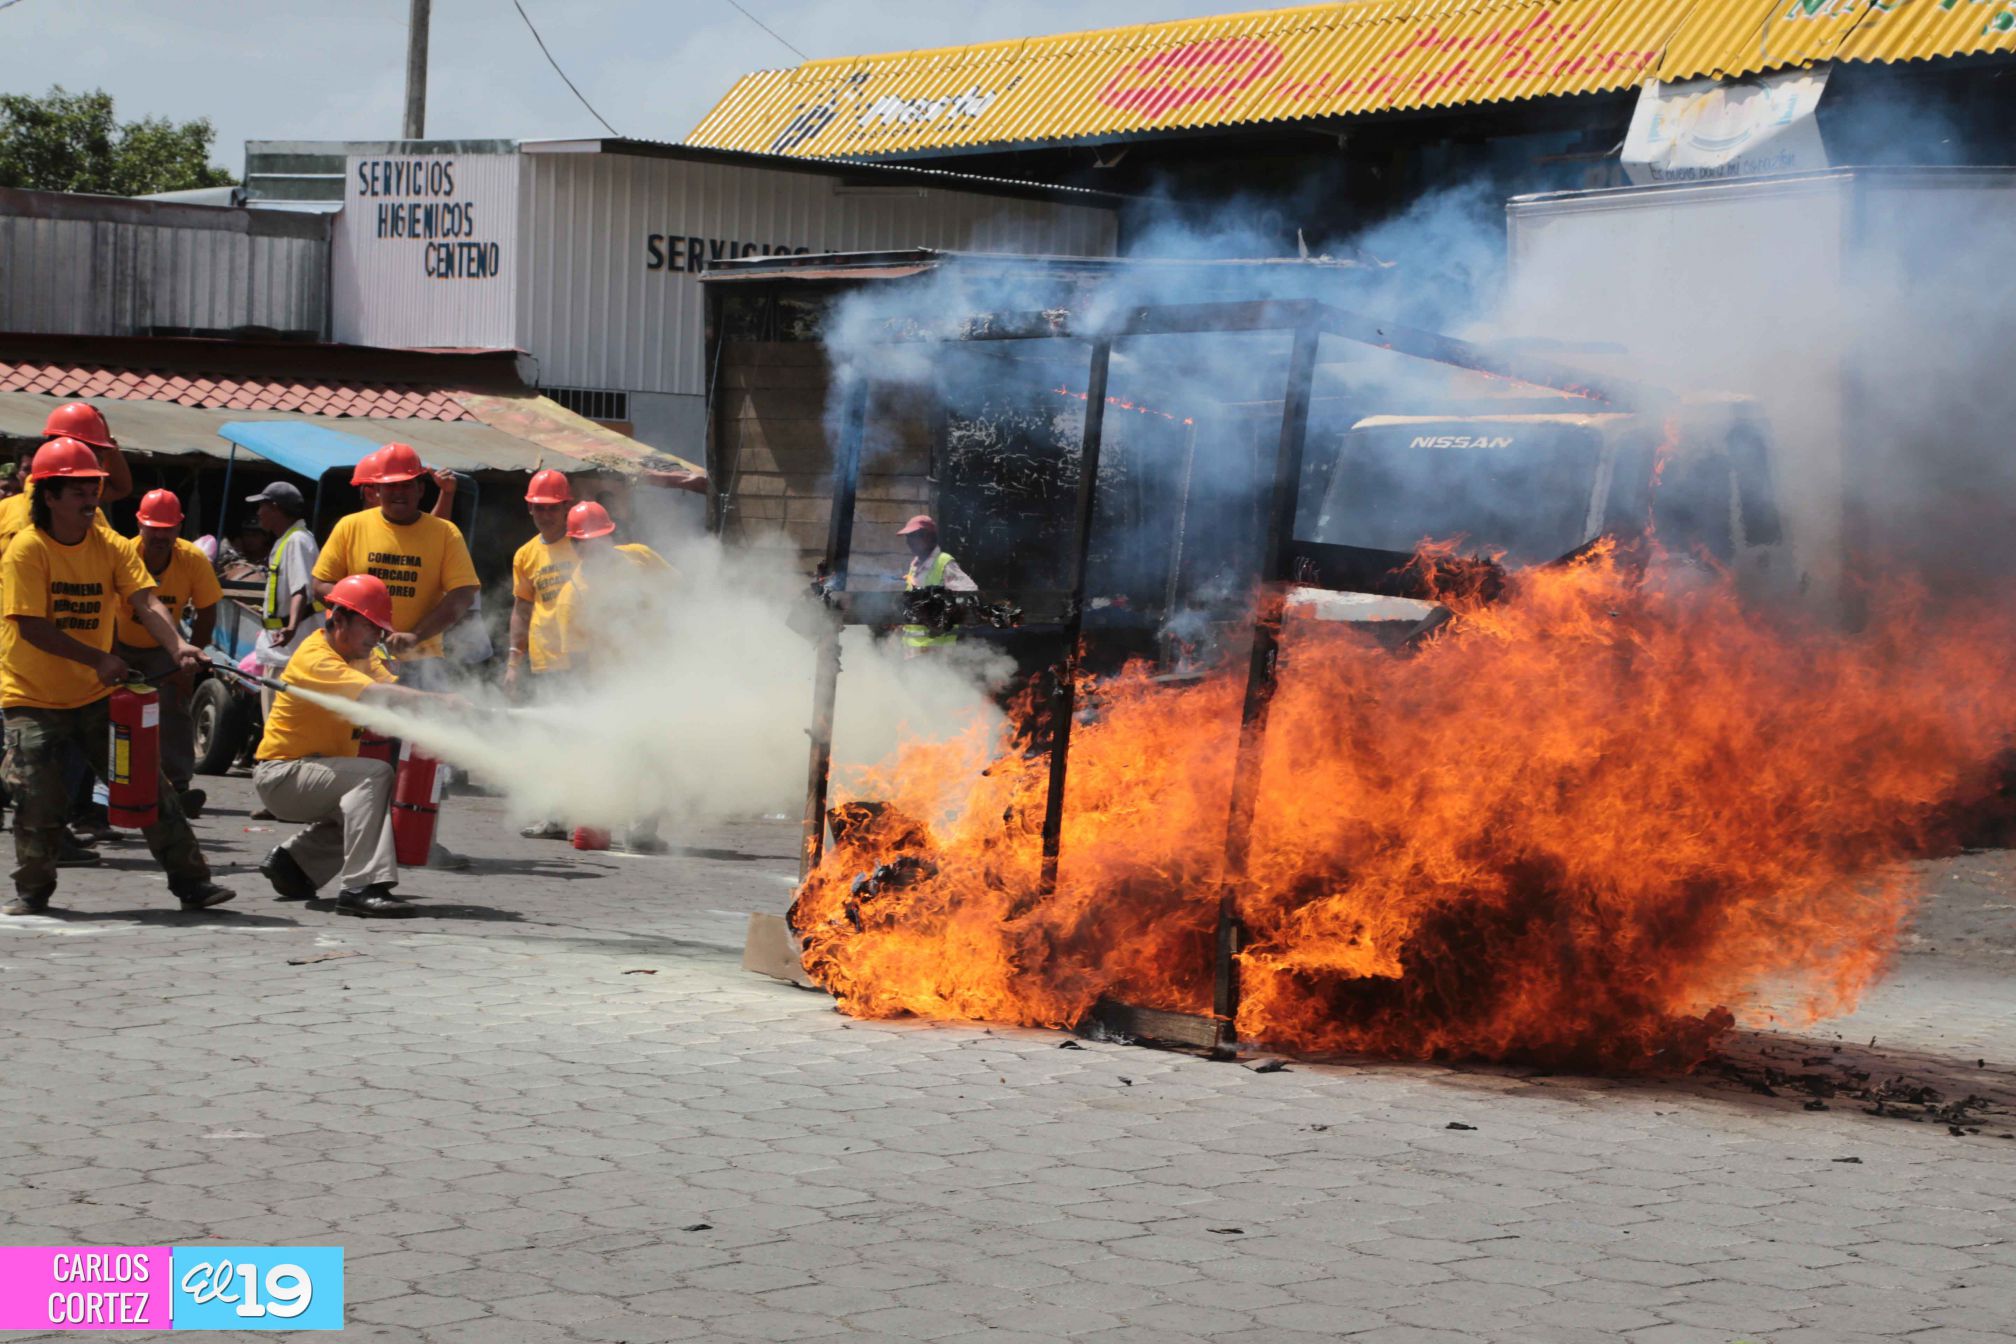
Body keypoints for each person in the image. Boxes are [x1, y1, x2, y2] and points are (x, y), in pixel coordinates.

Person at [0, 439, 233, 916]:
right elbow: (31, 626)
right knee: (37, 798)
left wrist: (180, 646)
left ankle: (193, 884)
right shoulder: (27, 549)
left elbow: (146, 601)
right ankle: (34, 890)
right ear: (49, 496)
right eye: (79, 492)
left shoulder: (109, 545)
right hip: (31, 697)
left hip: (94, 695)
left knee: (147, 784)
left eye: (94, 490)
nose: (92, 501)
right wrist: (98, 659)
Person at [311, 443, 479, 869]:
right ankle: (356, 838)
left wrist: (416, 634)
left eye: (406, 485)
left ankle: (421, 838)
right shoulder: (351, 527)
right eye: (389, 486)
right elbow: (320, 583)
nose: (398, 493)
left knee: (424, 755)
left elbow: (462, 592)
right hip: (360, 664)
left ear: (421, 488)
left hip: (422, 662)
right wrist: (356, 620)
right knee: (361, 754)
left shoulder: (445, 534)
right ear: (375, 490)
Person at [254, 574, 456, 918]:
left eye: (380, 629)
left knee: (378, 803)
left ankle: (294, 864)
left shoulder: (361, 655)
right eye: (370, 627)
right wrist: (440, 701)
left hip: (317, 773)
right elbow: (376, 695)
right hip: (282, 777)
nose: (377, 637)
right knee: (375, 775)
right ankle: (362, 888)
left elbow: (393, 698)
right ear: (340, 620)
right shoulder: (316, 658)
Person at [552, 501, 672, 853]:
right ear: (575, 546)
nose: (598, 549)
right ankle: (599, 819)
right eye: (588, 544)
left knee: (655, 755)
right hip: (610, 686)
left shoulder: (640, 557)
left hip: (655, 673)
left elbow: (680, 592)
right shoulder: (571, 598)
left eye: (603, 539)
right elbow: (576, 661)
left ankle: (642, 831)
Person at [111, 489, 220, 818]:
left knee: (173, 707)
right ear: (139, 525)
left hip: (165, 646)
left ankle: (178, 785)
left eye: (167, 529)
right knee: (105, 714)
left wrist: (189, 665)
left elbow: (207, 612)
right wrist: (107, 655)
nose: (160, 535)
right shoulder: (122, 554)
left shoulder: (192, 560)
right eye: (153, 528)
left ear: (179, 528)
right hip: (117, 641)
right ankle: (106, 789)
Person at [507, 469, 577, 840]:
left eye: (552, 507)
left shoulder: (584, 542)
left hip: (584, 660)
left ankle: (594, 812)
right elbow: (521, 610)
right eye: (538, 507)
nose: (544, 514)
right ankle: (555, 816)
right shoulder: (526, 554)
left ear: (567, 506)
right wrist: (513, 661)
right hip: (546, 661)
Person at [248, 481, 322, 724]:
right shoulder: (289, 539)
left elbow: (301, 588)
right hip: (283, 651)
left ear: (276, 508)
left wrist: (290, 626)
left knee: (277, 726)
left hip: (289, 654)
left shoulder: (297, 541)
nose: (258, 513)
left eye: (263, 506)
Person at [896, 515, 977, 654]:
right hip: (913, 652)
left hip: (936, 653)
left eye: (914, 536)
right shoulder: (914, 565)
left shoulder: (943, 562)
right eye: (908, 537)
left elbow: (970, 596)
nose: (909, 542)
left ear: (928, 536)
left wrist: (943, 618)